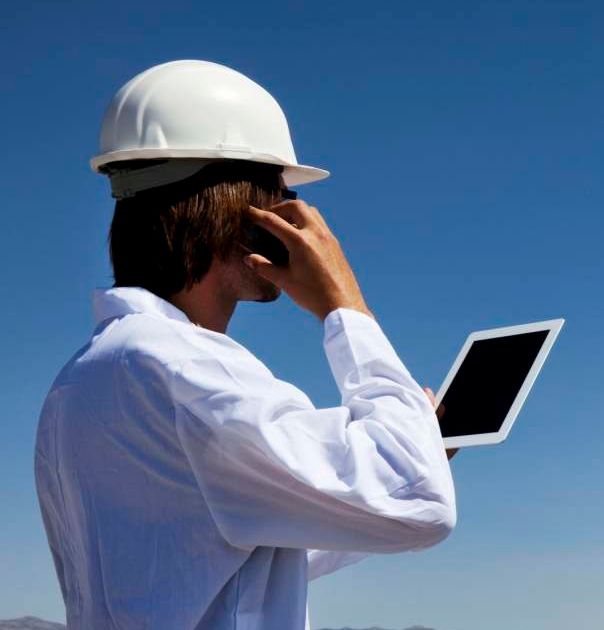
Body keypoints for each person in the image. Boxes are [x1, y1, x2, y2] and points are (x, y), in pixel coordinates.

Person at [34, 60, 456, 629]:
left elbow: (220, 558)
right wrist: (345, 306)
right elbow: (420, 507)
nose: (299, 221)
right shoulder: (185, 369)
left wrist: (413, 449)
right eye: (282, 197)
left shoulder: (85, 378)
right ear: (239, 211)